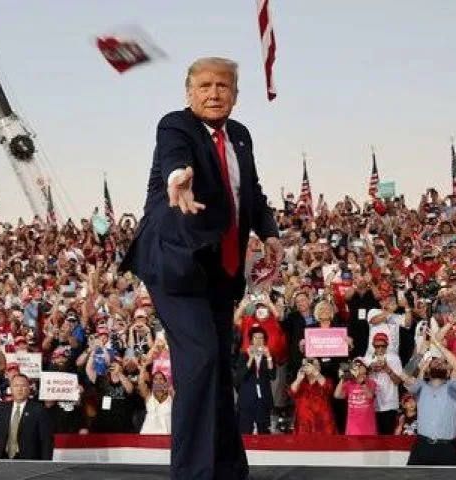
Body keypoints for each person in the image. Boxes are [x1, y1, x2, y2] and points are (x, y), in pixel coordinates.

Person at [120, 56, 282, 480]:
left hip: (220, 270)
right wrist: (178, 178)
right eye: (205, 86)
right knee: (201, 361)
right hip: (174, 263)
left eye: (223, 86)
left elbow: (251, 192)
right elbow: (176, 160)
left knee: (219, 369)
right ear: (189, 92)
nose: (214, 93)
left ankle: (227, 470)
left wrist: (269, 233)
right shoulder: (175, 125)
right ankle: (193, 473)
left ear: (235, 94)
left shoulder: (240, 136)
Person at [398, 332, 456, 466]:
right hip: (422, 446)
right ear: (427, 369)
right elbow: (403, 375)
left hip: (446, 448)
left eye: (443, 362)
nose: (438, 362)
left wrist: (438, 344)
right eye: (434, 361)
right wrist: (421, 352)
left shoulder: (453, 387)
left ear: (448, 371)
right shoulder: (421, 386)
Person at [0, 374, 54, 460]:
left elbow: (46, 440)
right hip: (3, 458)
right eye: (16, 386)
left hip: (29, 461)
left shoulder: (39, 410)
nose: (20, 389)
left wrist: (45, 463)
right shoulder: (2, 408)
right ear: (11, 389)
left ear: (29, 389)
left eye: (23, 386)